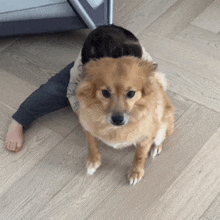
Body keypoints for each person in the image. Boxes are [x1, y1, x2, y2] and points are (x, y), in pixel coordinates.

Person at [5, 25, 154, 152]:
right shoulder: (81, 69)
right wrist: (82, 114)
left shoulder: (142, 62)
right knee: (53, 90)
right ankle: (19, 120)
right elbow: (71, 90)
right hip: (85, 84)